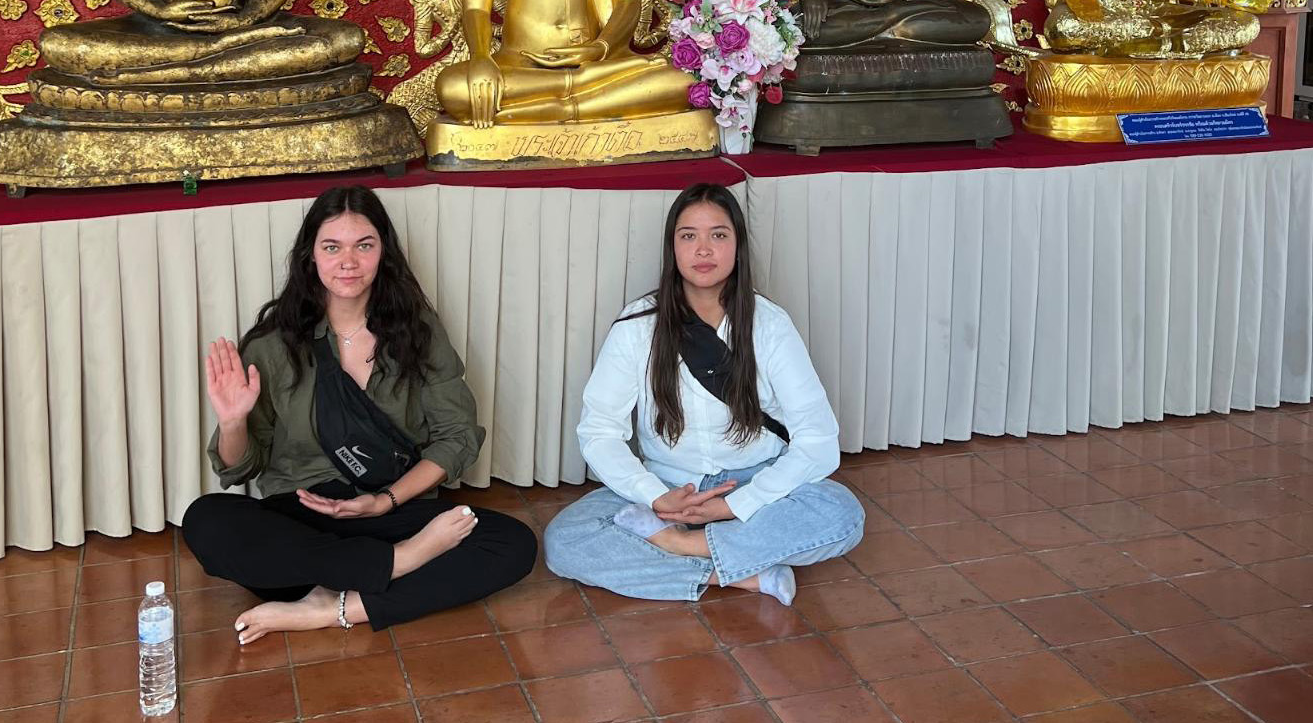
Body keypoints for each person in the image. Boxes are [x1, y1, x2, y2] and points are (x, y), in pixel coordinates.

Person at [181, 186, 536, 643]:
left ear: (383, 252)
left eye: (363, 245)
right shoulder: (272, 345)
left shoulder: (417, 332)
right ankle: (397, 566)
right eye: (332, 247)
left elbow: (457, 436)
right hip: (306, 519)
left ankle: (330, 607)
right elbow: (241, 468)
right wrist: (232, 422)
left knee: (512, 543)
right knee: (207, 520)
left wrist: (382, 502)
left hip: (393, 507)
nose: (348, 262)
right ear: (310, 256)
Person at [544, 184, 864, 604]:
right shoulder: (638, 325)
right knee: (564, 542)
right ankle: (738, 573)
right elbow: (599, 430)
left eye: (719, 235)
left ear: (737, 245)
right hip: (669, 486)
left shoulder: (768, 324)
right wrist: (654, 495)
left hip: (753, 480)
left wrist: (737, 505)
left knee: (842, 515)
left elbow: (818, 441)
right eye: (688, 236)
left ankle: (681, 548)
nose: (703, 250)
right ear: (672, 247)